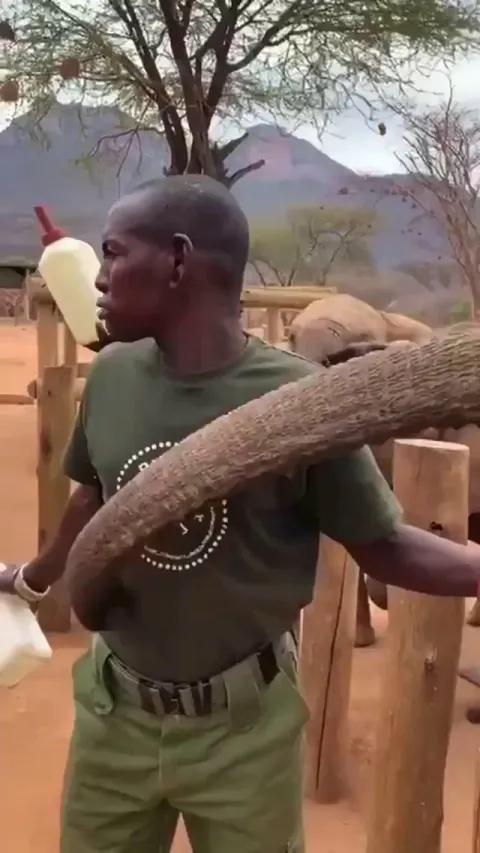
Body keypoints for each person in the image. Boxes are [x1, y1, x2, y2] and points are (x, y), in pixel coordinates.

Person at [2, 174, 480, 853]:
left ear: (177, 260)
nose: (100, 276)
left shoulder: (300, 397)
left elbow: (385, 546)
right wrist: (34, 575)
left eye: (113, 252)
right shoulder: (112, 377)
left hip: (244, 731)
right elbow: (95, 496)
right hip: (116, 711)